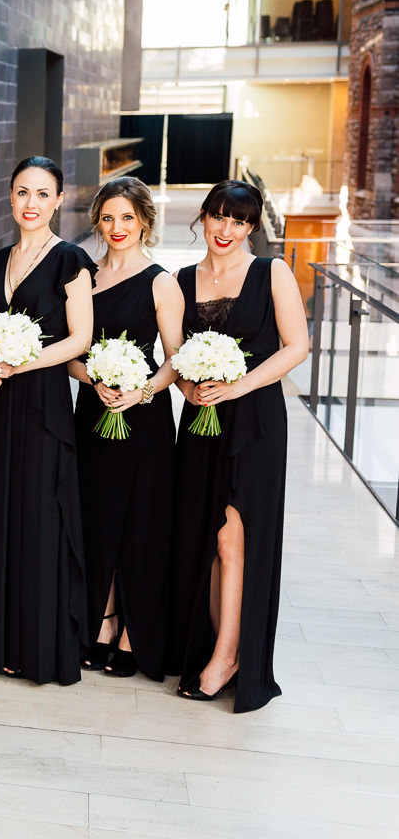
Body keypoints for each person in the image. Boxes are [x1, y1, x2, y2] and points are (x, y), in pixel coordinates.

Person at [167, 180, 307, 711]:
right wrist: (188, 388)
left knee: (233, 538)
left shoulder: (272, 272)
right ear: (203, 217)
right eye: (219, 217)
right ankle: (214, 646)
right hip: (201, 420)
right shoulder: (181, 280)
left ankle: (228, 657)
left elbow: (297, 346)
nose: (227, 230)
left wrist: (238, 386)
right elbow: (175, 354)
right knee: (207, 536)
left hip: (254, 421)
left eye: (240, 221)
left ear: (252, 228)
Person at [0, 155, 95, 685]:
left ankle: (40, 647)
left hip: (44, 402)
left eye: (43, 194)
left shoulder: (71, 259)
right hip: (1, 407)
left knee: (40, 517)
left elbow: (80, 339)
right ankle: (1, 642)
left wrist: (21, 361)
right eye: (23, 192)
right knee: (0, 511)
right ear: (10, 195)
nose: (31, 203)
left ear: (59, 200)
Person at [65, 177, 183, 682]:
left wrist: (141, 391)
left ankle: (133, 633)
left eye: (127, 218)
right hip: (93, 412)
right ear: (97, 220)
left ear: (145, 222)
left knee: (139, 524)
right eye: (108, 217)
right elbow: (71, 352)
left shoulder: (161, 281)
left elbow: (176, 360)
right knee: (98, 519)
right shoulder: (83, 277)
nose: (117, 227)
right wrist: (94, 380)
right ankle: (104, 620)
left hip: (144, 418)